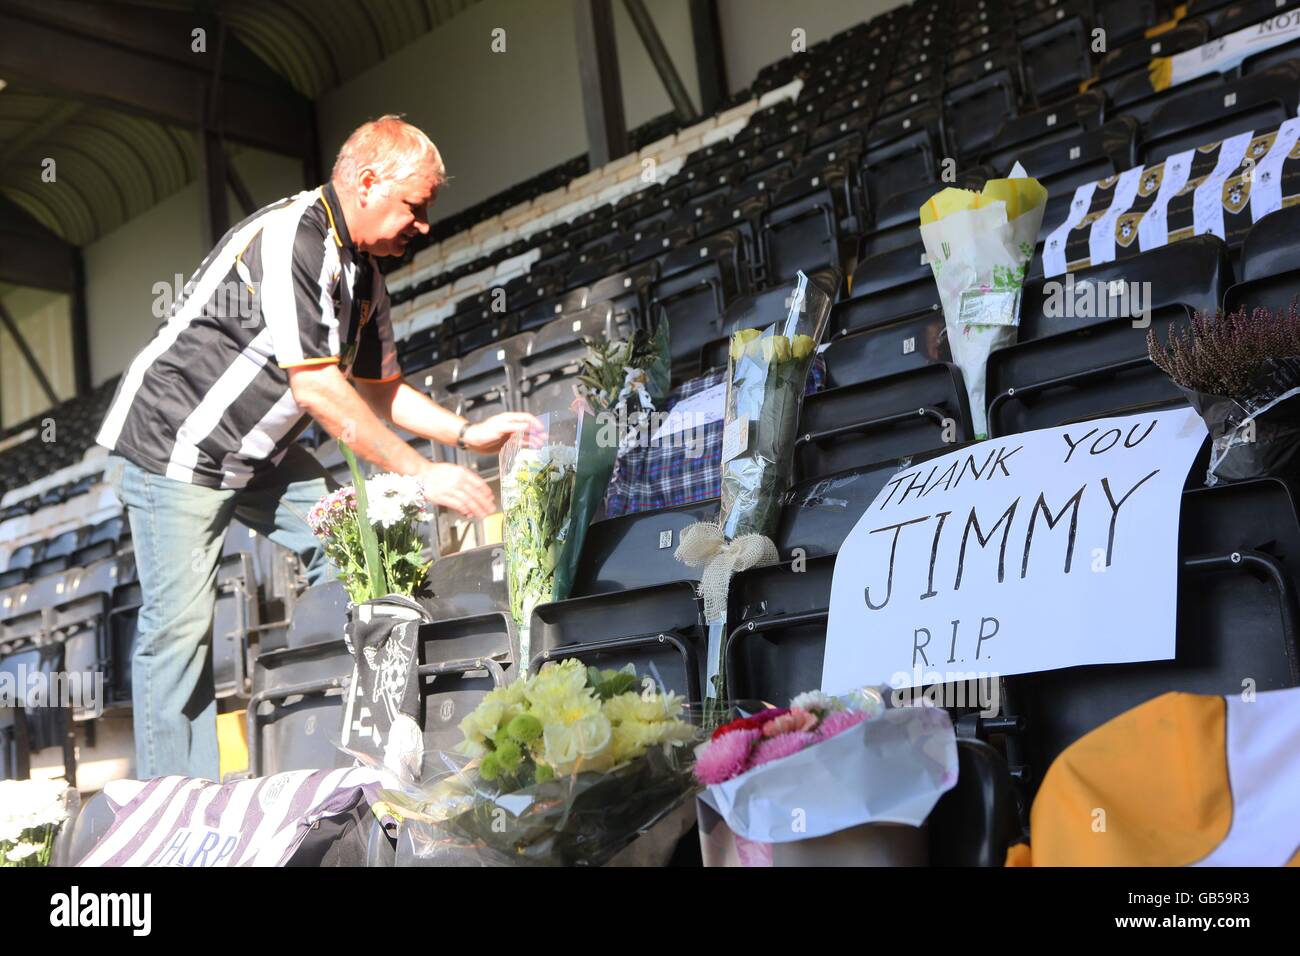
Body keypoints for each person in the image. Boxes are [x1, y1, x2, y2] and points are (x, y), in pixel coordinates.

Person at [96, 115, 539, 781]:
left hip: (257, 457)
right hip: (176, 448)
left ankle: (361, 730)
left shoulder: (366, 273)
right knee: (180, 633)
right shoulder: (292, 238)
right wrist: (421, 475)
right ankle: (175, 802)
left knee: (361, 543)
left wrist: (465, 434)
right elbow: (319, 391)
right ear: (367, 183)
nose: (423, 226)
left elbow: (379, 389)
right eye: (415, 208)